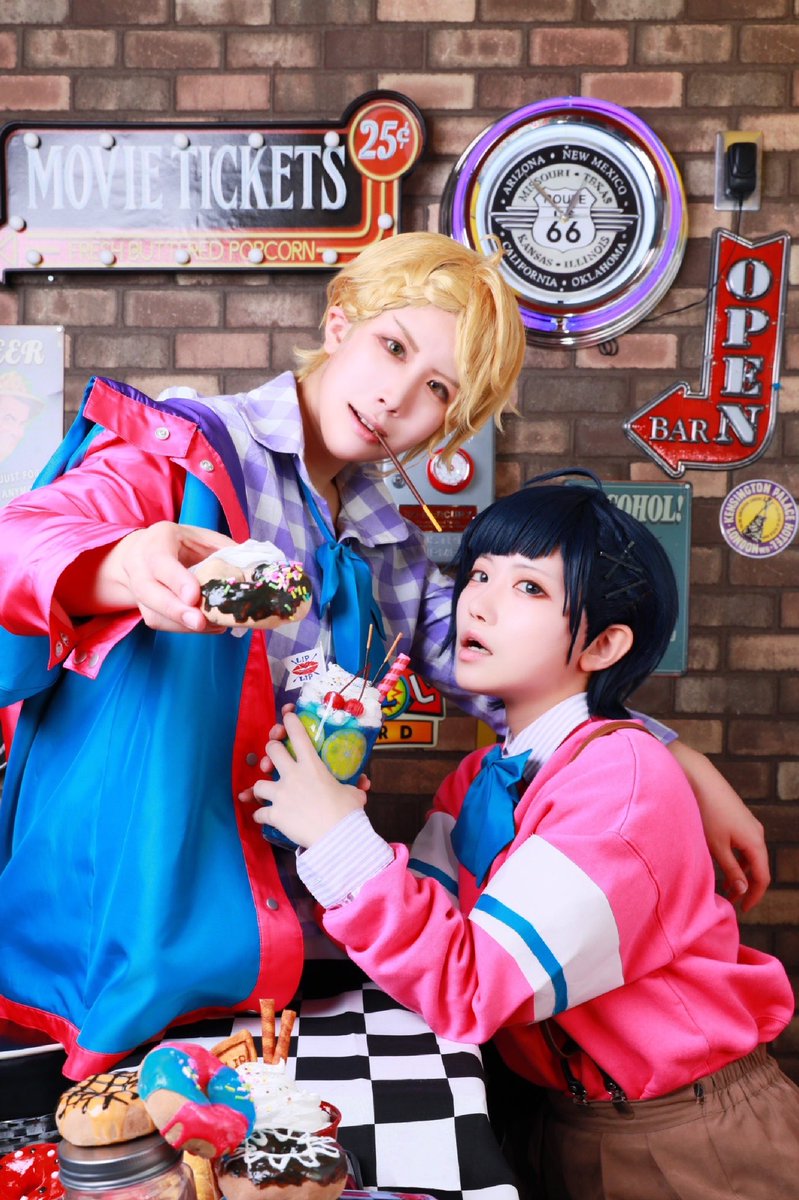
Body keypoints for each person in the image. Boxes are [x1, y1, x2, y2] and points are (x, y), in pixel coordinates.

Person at [0, 234, 766, 1083]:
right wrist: (124, 562)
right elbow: (20, 543)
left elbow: (507, 669)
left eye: (437, 388)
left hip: (274, 940)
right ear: (340, 324)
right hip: (129, 915)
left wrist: (675, 758)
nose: (395, 397)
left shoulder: (380, 541)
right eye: (393, 347)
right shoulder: (184, 449)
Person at [256, 470, 799, 1200]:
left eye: (529, 588)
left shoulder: (621, 778)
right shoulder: (477, 779)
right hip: (554, 1122)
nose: (477, 601)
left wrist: (339, 837)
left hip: (690, 1136)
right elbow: (417, 962)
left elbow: (470, 985)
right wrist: (317, 824)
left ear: (602, 644)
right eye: (479, 574)